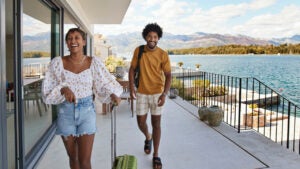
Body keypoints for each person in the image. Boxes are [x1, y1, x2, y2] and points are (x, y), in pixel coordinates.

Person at [42, 28, 122, 169]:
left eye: (77, 38)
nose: (73, 41)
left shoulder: (93, 62)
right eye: (70, 38)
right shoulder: (57, 63)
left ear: (84, 42)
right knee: (73, 159)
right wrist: (63, 88)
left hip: (86, 111)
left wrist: (113, 94)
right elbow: (47, 90)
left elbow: (103, 82)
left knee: (84, 161)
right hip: (65, 113)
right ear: (67, 43)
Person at [129, 23, 171, 169]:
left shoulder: (163, 54)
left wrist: (164, 94)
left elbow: (168, 75)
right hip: (141, 92)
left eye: (155, 36)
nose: (152, 39)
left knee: (156, 124)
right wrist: (131, 87)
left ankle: (156, 155)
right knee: (140, 122)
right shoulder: (139, 51)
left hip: (157, 93)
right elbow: (132, 69)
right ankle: (148, 137)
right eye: (149, 36)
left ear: (158, 38)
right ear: (145, 37)